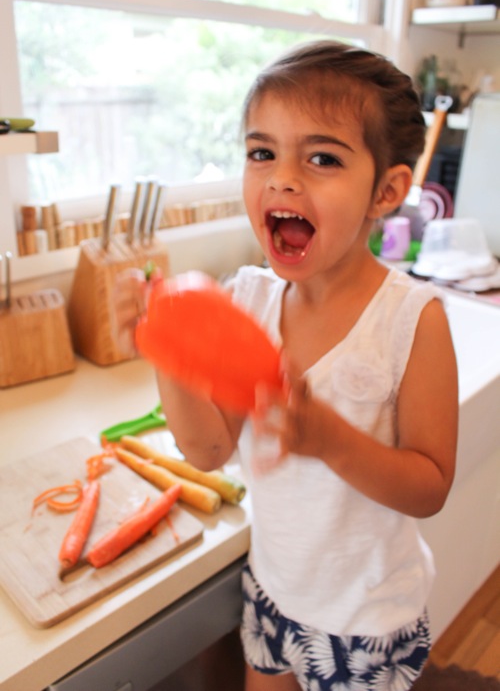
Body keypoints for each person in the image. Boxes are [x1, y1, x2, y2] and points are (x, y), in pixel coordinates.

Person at [112, 40, 458, 691]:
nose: (282, 177)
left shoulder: (412, 320)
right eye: (261, 152)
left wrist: (330, 439)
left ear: (386, 190)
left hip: (367, 620)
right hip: (273, 593)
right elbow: (210, 449)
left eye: (322, 157)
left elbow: (431, 485)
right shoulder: (246, 301)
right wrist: (169, 352)